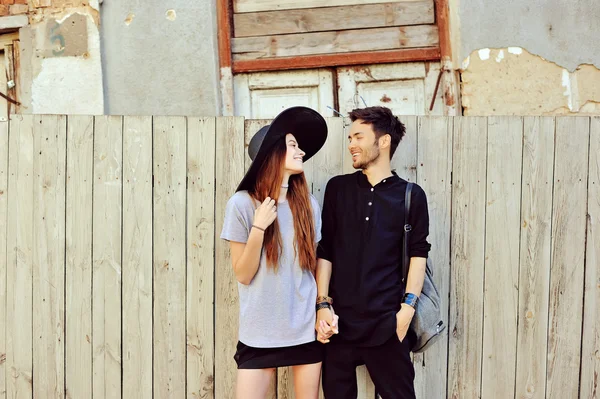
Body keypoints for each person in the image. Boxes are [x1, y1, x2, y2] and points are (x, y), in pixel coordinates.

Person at [315, 106, 431, 399]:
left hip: (387, 322)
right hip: (339, 325)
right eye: (349, 137)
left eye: (358, 136)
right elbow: (325, 250)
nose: (351, 144)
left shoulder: (410, 195)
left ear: (383, 141)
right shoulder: (338, 189)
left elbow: (419, 254)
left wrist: (407, 310)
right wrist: (322, 305)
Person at [221, 106, 329, 399]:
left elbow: (316, 263)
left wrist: (323, 307)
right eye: (293, 145)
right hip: (258, 332)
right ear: (273, 153)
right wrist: (259, 228)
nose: (301, 152)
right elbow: (243, 275)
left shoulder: (308, 205)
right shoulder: (241, 204)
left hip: (304, 329)